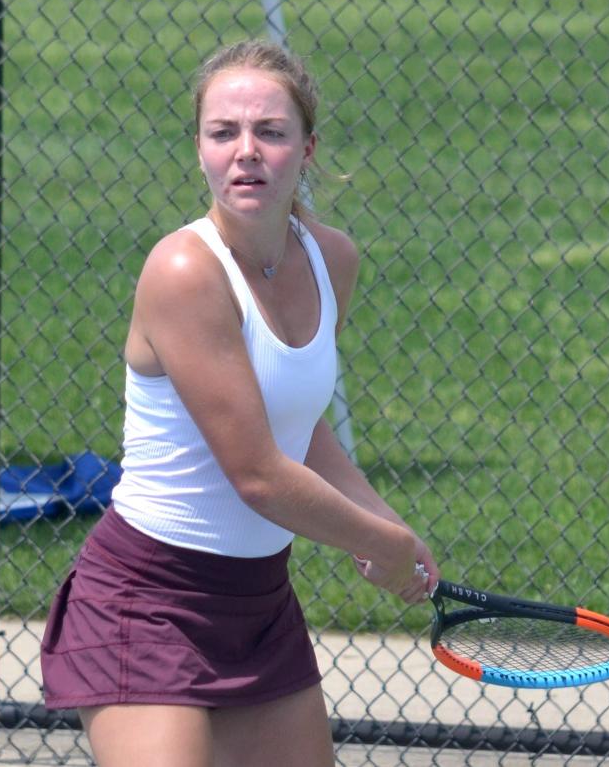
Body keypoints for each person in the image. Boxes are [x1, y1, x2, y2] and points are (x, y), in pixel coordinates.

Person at [41, 39, 440, 767]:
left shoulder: (332, 259)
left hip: (259, 605)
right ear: (199, 148)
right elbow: (257, 472)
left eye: (271, 132)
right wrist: (378, 543)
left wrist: (383, 519)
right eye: (223, 132)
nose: (246, 151)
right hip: (146, 601)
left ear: (308, 148)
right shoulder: (185, 270)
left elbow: (295, 421)